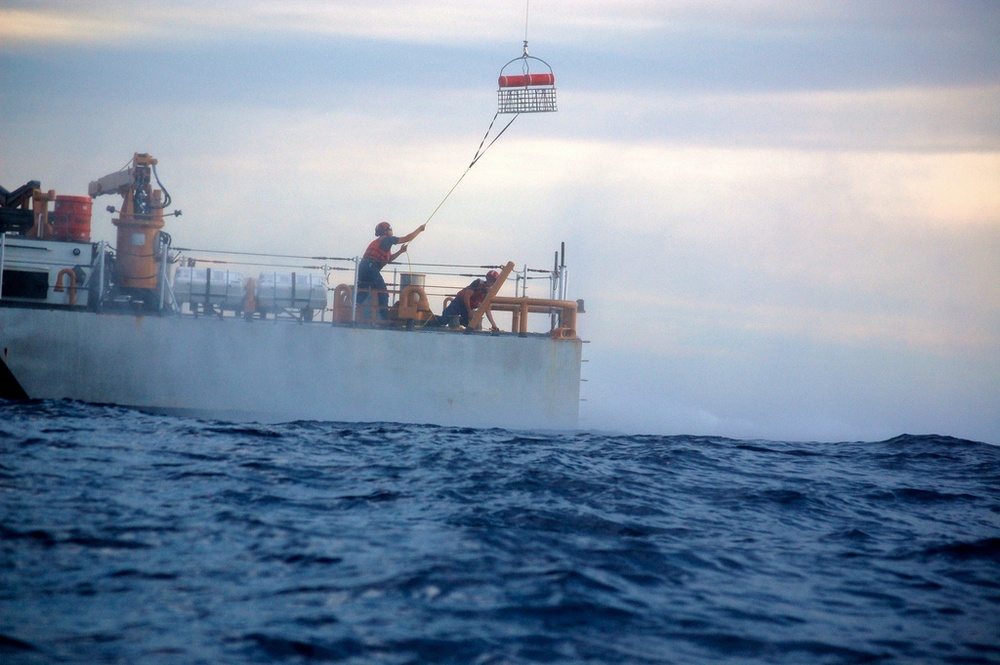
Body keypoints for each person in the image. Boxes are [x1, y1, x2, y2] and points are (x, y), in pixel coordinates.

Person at [356, 221, 426, 317]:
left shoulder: (380, 243)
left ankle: (350, 313)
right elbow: (407, 238)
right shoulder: (387, 240)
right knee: (383, 293)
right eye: (390, 229)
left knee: (362, 293)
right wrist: (420, 229)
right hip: (371, 268)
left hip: (363, 268)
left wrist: (400, 251)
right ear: (385, 231)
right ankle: (384, 318)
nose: (391, 230)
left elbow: (389, 259)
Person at [436, 270, 501, 330]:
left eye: (492, 280)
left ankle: (456, 320)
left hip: (466, 307)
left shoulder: (489, 294)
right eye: (488, 279)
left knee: (469, 324)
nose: (489, 281)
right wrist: (469, 311)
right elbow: (467, 296)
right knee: (444, 320)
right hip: (459, 302)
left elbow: (487, 310)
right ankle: (429, 320)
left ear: (495, 282)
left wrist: (493, 325)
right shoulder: (478, 283)